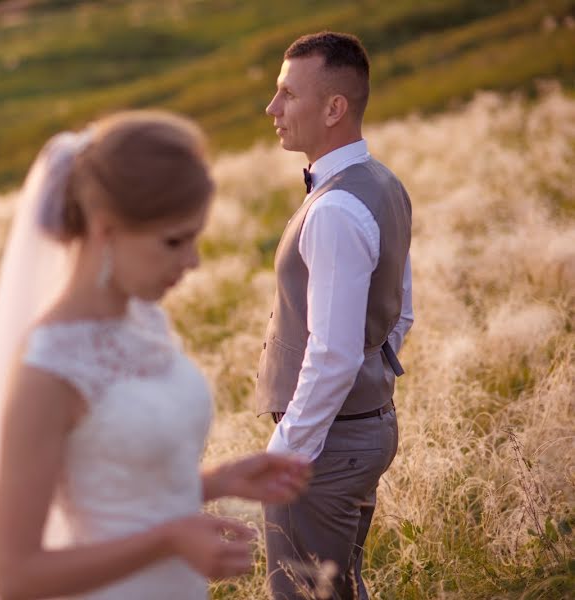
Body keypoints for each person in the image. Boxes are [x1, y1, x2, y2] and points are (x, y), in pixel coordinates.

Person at [0, 110, 310, 599]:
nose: (193, 262)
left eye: (195, 238)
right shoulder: (49, 368)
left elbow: (114, 489)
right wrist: (169, 539)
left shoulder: (145, 322)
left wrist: (216, 481)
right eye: (174, 241)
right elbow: (17, 575)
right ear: (105, 229)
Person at [256, 32, 414, 599]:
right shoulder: (382, 184)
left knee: (305, 595)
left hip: (327, 447)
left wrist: (286, 453)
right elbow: (401, 313)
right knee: (339, 589)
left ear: (333, 108)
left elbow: (333, 354)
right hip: (357, 430)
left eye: (287, 95)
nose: (272, 109)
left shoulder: (336, 209)